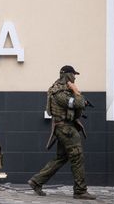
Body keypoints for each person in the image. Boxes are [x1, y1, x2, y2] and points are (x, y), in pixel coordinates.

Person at [28, 65, 96, 200]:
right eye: (73, 74)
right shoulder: (59, 92)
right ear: (66, 75)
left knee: (62, 158)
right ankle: (80, 191)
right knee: (77, 157)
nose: (75, 77)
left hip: (66, 128)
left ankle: (36, 181)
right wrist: (77, 92)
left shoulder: (64, 89)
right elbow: (76, 104)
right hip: (66, 129)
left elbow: (78, 103)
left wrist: (80, 98)